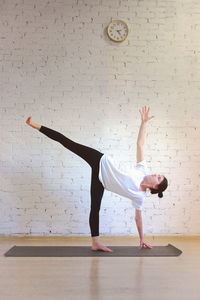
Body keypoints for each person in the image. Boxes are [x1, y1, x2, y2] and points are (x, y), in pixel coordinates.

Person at [26, 106, 168, 252]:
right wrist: (144, 123)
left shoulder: (139, 197)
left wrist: (142, 239)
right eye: (158, 174)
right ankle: (35, 125)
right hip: (100, 160)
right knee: (69, 143)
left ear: (156, 187)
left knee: (95, 208)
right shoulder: (142, 169)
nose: (155, 174)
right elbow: (140, 144)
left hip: (101, 181)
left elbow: (138, 218)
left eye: (158, 178)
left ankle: (96, 243)